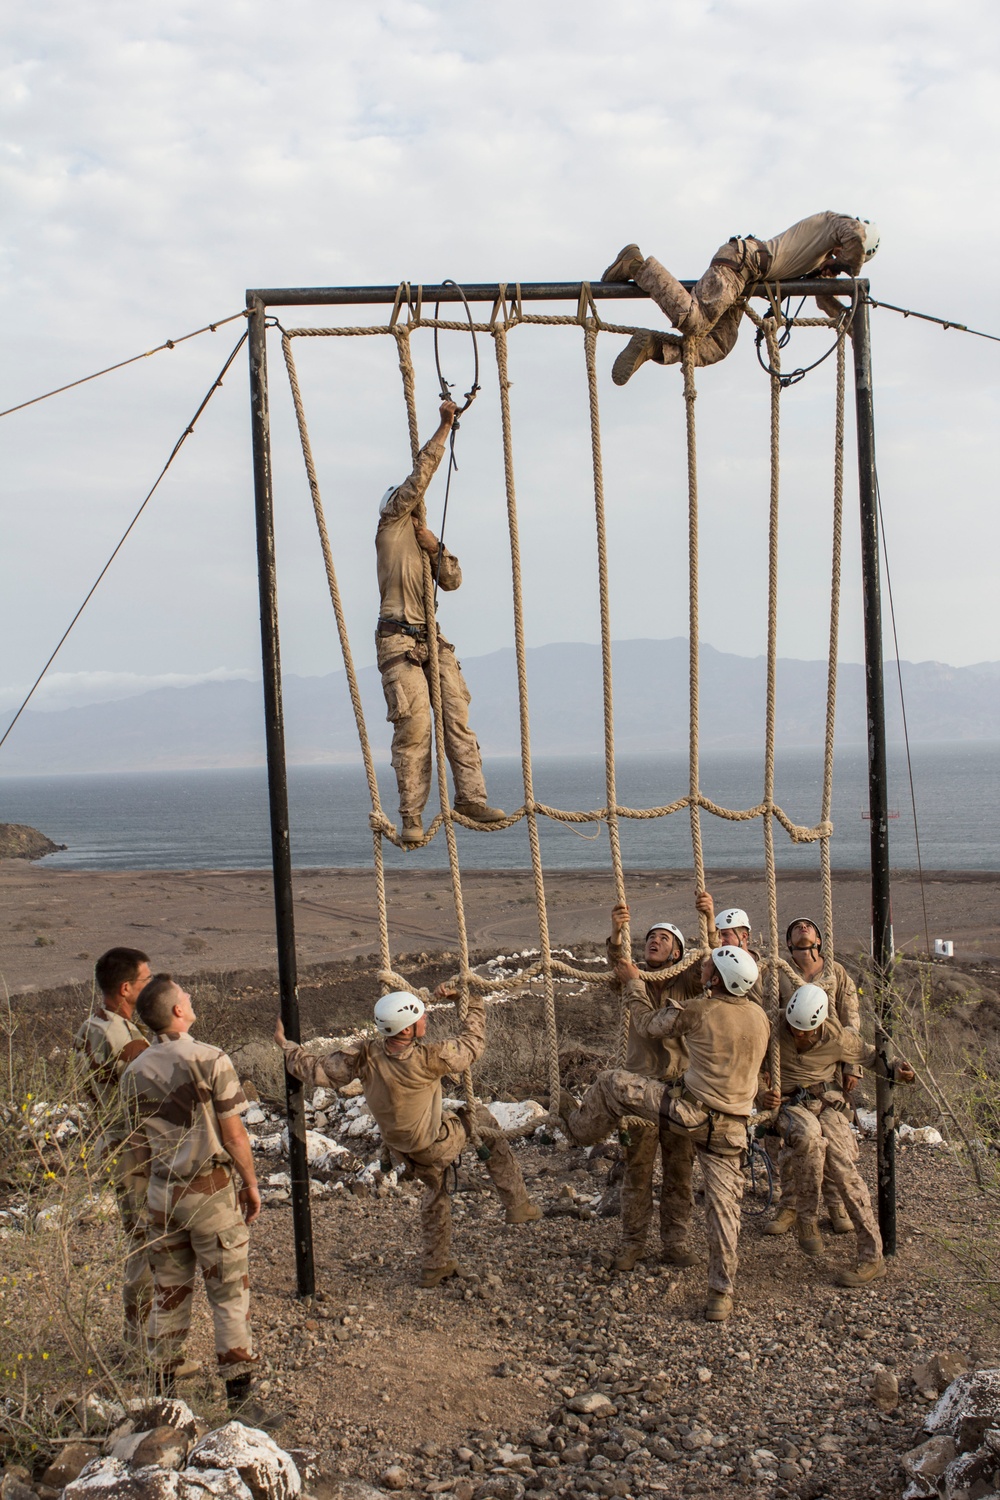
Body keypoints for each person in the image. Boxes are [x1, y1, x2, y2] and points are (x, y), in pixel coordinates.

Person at [276, 987, 541, 1288]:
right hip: (433, 1144)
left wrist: (288, 1048)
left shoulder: (364, 1055)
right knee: (483, 1122)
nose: (426, 1018)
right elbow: (472, 1045)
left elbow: (317, 1070)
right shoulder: (428, 1058)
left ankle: (434, 1265)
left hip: (402, 1151)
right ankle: (517, 1205)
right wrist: (473, 1003)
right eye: (421, 1016)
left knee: (435, 1188)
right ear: (408, 1028)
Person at [559, 946, 769, 1322]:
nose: (703, 967)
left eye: (710, 967)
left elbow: (646, 1025)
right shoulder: (759, 1016)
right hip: (732, 1130)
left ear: (717, 979)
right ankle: (721, 1293)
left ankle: (577, 1129)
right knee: (724, 1211)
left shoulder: (701, 1011)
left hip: (688, 1114)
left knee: (611, 1084)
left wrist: (636, 985)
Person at [120, 975, 260, 1407]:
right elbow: (234, 1136)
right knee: (229, 1294)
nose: (191, 997)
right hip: (210, 1193)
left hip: (162, 1196)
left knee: (169, 1293)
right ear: (177, 1010)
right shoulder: (210, 1058)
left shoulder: (134, 1071)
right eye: (186, 995)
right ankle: (240, 1402)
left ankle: (162, 1401)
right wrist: (250, 1183)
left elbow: (137, 1148)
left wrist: (142, 1201)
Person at [376, 398, 504, 844]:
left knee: (457, 718)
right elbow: (419, 478)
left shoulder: (419, 537)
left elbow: (452, 581)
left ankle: (470, 797)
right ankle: (412, 816)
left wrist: (435, 547)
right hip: (398, 641)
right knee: (414, 726)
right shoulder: (391, 522)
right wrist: (444, 428)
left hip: (432, 638)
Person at [601, 212, 880, 383]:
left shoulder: (820, 254)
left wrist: (851, 325)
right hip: (742, 263)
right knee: (694, 321)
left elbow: (823, 300)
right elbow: (854, 238)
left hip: (744, 280)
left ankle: (653, 346)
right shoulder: (838, 223)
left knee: (717, 346)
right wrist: (847, 266)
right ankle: (634, 264)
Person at [759, 983, 914, 1286]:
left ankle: (872, 1256)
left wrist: (898, 1070)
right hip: (791, 1105)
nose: (798, 1036)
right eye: (794, 1029)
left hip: (828, 1103)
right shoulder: (772, 1025)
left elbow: (871, 1057)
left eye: (805, 1032)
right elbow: (750, 1063)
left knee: (844, 1167)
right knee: (809, 1139)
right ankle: (806, 1219)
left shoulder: (837, 1037)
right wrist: (762, 1093)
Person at [604, 900, 707, 1271]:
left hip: (679, 1090)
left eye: (663, 939)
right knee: (638, 1170)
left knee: (680, 1170)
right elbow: (617, 962)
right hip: (639, 1089)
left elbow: (706, 963)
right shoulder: (633, 978)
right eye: (650, 938)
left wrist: (707, 919)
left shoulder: (686, 983)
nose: (654, 942)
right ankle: (632, 1243)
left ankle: (675, 1242)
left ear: (677, 951)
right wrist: (618, 933)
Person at [73, 947, 153, 1354]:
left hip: (112, 1139)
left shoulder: (90, 1027)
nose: (149, 987)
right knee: (147, 1243)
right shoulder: (122, 1038)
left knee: (140, 1237)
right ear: (126, 988)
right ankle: (142, 1347)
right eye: (144, 981)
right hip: (132, 1147)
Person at [766, 918, 863, 1236]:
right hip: (790, 1072)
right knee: (797, 1142)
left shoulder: (836, 973)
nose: (803, 927)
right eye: (796, 927)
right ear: (790, 942)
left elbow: (850, 1017)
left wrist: (852, 1066)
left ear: (819, 939)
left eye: (809, 926)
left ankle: (835, 1205)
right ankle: (789, 1206)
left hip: (827, 1070)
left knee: (834, 1141)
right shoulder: (777, 974)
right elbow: (765, 1019)